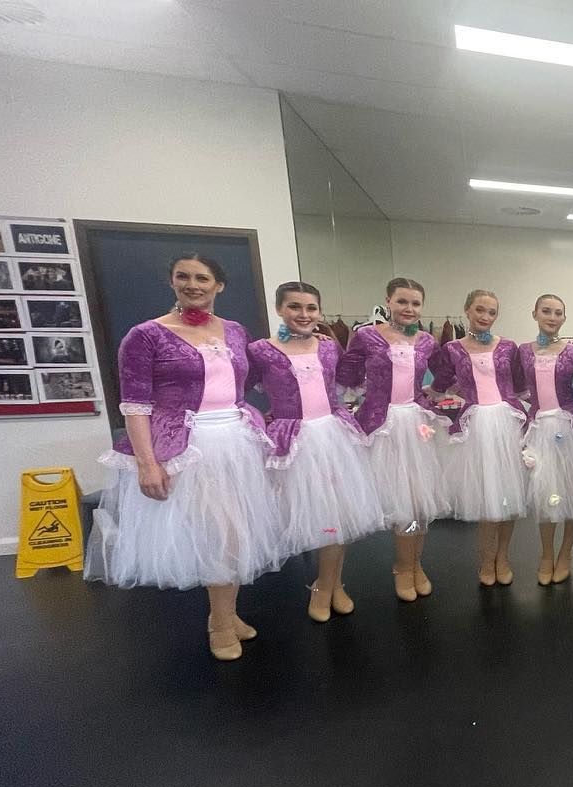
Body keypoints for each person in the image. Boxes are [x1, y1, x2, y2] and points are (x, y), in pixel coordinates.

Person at [85, 254, 283, 661]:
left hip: (236, 441)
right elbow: (135, 405)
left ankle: (225, 612)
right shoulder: (146, 335)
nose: (193, 284)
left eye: (202, 278)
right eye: (183, 277)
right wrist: (147, 463)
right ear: (172, 282)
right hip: (188, 447)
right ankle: (220, 623)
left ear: (219, 285)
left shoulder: (233, 331)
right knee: (222, 534)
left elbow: (241, 384)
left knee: (239, 530)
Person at [247, 282, 383, 623]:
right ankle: (323, 584)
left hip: (332, 435)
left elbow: (343, 383)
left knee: (336, 516)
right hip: (293, 439)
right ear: (279, 309)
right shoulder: (261, 350)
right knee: (314, 517)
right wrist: (256, 418)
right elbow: (236, 388)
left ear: (319, 312)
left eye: (311, 308)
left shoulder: (327, 347)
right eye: (295, 307)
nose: (303, 314)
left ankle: (330, 583)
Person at [337, 278, 449, 603]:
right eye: (402, 302)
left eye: (415, 303)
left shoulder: (428, 341)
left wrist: (433, 392)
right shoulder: (367, 335)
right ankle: (402, 567)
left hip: (418, 424)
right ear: (388, 301)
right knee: (401, 503)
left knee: (418, 500)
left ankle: (415, 563)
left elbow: (444, 371)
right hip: (382, 424)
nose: (409, 309)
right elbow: (347, 374)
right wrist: (361, 397)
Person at [430, 290, 528, 587]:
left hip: (507, 424)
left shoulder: (509, 347)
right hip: (476, 426)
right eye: (480, 310)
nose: (485, 317)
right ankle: (486, 560)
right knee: (487, 498)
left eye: (492, 312)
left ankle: (503, 557)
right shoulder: (452, 348)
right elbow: (440, 385)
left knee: (510, 495)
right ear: (467, 310)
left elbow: (520, 385)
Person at [517, 293, 573, 586]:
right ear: (534, 313)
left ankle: (566, 554)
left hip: (568, 427)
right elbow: (516, 385)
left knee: (572, 494)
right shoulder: (523, 351)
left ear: (564, 318)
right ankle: (546, 554)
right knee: (545, 493)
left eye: (558, 312)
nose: (551, 316)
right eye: (546, 311)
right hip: (539, 426)